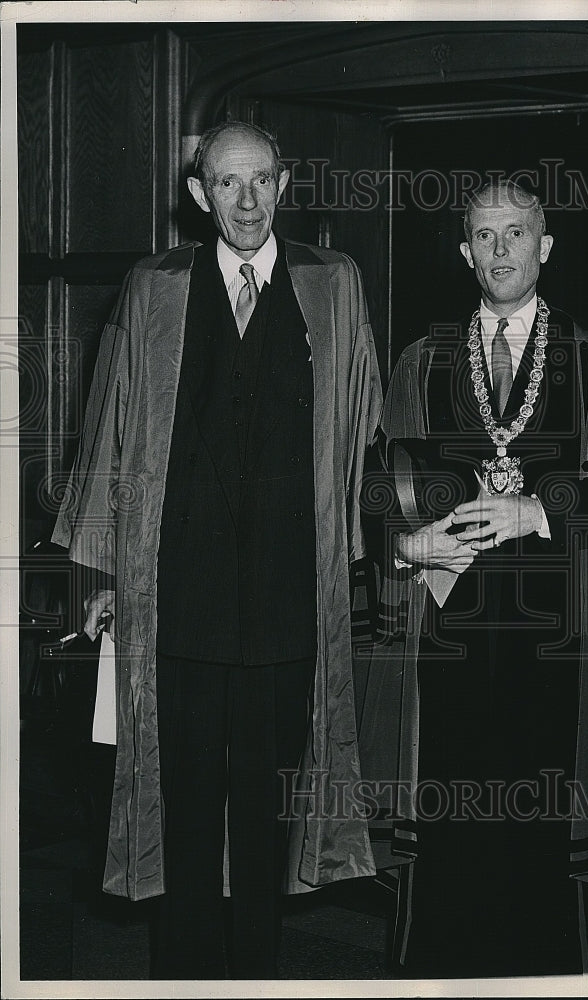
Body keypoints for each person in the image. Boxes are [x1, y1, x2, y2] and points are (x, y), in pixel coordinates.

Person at [52, 121, 382, 979]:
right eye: (227, 184)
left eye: (261, 181)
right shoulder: (154, 287)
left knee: (267, 821)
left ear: (285, 184)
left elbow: (363, 435)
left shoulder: (332, 285)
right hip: (181, 607)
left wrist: (377, 547)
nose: (246, 201)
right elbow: (115, 439)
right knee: (185, 816)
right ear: (198, 194)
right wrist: (110, 574)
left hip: (287, 607)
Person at [357, 180, 588, 977]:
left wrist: (538, 510)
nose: (500, 251)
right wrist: (406, 544)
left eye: (516, 233)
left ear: (546, 245)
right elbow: (371, 488)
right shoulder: (420, 363)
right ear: (464, 252)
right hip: (446, 643)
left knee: (545, 838)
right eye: (483, 236)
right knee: (447, 838)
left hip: (562, 645)